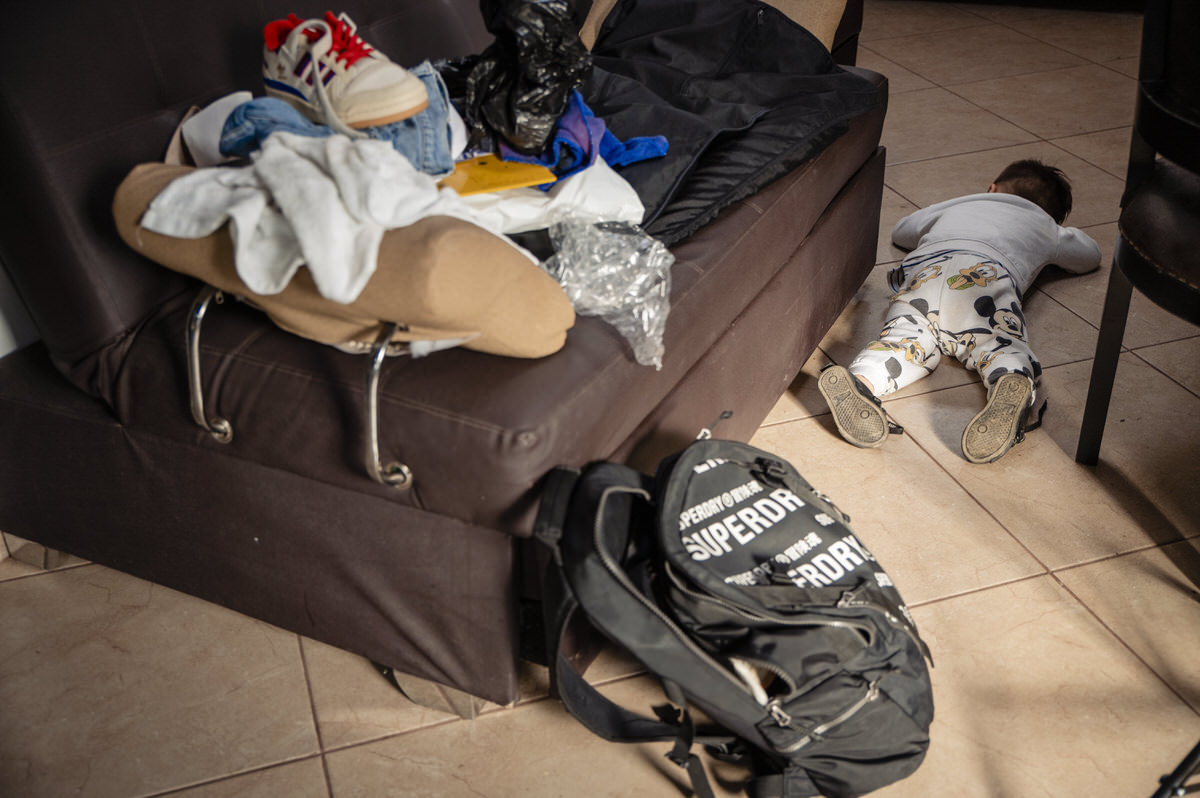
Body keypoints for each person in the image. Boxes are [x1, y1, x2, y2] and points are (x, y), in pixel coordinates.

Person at [818, 159, 1101, 463]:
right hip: (985, 275)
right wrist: (1057, 233)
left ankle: (863, 380)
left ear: (992, 188)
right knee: (996, 341)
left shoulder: (958, 205)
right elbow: (1089, 256)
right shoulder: (1045, 226)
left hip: (926, 273)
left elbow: (903, 231)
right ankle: (1009, 378)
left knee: (905, 341)